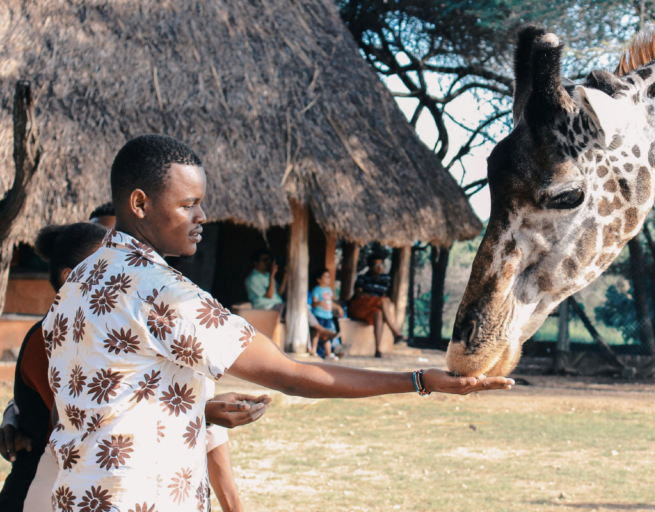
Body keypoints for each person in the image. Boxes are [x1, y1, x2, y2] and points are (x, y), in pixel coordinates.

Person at [42, 134, 512, 510]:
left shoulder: (80, 282)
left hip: (79, 494)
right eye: (188, 204)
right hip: (144, 498)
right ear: (140, 204)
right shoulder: (160, 291)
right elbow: (293, 374)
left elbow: (112, 397)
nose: (203, 215)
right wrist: (419, 380)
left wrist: (192, 409)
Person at [0, 223, 268, 512]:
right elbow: (85, 419)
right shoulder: (56, 336)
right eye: (103, 262)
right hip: (40, 495)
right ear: (70, 276)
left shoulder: (129, 325)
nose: (119, 268)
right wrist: (202, 410)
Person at [348, 254, 405, 357]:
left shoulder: (386, 279)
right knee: (384, 300)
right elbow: (358, 294)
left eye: (381, 264)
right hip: (359, 307)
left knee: (379, 313)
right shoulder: (363, 278)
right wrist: (374, 298)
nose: (379, 267)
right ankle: (395, 331)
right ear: (370, 267)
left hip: (372, 309)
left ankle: (378, 350)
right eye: (376, 265)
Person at [310, 267, 342, 359]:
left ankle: (328, 353)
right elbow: (314, 303)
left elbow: (330, 302)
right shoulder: (317, 290)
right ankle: (313, 351)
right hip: (319, 316)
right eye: (326, 277)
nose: (328, 279)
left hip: (328, 316)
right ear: (319, 280)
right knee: (316, 333)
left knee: (326, 335)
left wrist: (338, 307)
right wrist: (320, 302)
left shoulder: (329, 290)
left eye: (329, 277)